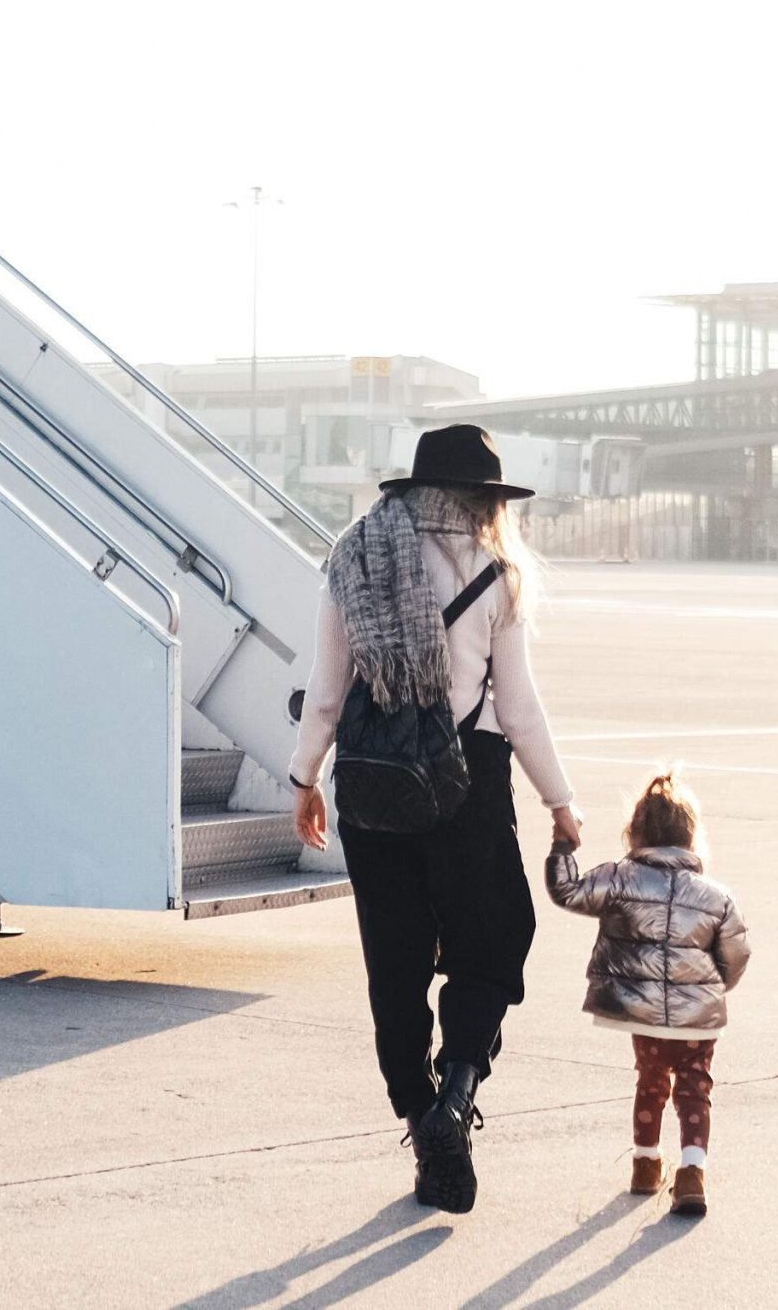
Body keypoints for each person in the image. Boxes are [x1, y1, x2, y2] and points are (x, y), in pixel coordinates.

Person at [291, 423, 583, 1214]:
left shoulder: (353, 559)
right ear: (485, 499)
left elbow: (327, 688)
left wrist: (303, 777)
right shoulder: (494, 571)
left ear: (413, 488)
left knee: (395, 960)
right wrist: (561, 801)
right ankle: (456, 1094)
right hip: (467, 784)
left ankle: (420, 1116)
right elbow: (517, 709)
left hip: (375, 782)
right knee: (491, 940)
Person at [545, 765, 750, 1218]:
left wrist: (563, 846)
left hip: (641, 1012)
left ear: (634, 833)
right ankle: (692, 1170)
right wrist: (711, 989)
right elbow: (737, 952)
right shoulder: (716, 896)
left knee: (651, 1081)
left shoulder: (621, 878)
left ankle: (644, 1162)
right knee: (695, 1085)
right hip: (697, 1017)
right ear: (692, 836)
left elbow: (566, 890)